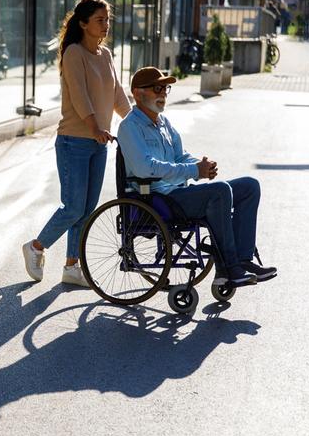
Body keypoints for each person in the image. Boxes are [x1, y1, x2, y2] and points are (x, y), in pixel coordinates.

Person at [117, 67, 277, 286]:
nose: (163, 93)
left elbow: (181, 156)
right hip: (157, 199)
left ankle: (242, 260)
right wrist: (194, 171)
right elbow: (145, 168)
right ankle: (230, 268)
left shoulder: (164, 124)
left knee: (249, 187)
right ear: (137, 93)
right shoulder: (129, 127)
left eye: (166, 88)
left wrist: (201, 167)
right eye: (157, 88)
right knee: (220, 191)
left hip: (179, 193)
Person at [22, 0, 131, 287]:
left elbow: (116, 93)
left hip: (98, 143)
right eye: (100, 20)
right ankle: (36, 247)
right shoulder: (74, 53)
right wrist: (95, 127)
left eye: (107, 19)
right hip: (74, 142)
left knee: (87, 208)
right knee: (72, 207)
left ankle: (72, 266)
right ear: (83, 23)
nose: (106, 25)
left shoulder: (105, 55)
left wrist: (134, 122)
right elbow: (80, 97)